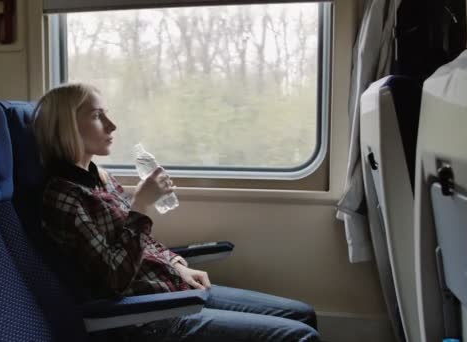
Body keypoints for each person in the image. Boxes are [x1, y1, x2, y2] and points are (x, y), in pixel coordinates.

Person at [31, 83, 321, 342]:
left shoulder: (100, 177)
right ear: (67, 126)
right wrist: (141, 205)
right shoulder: (63, 197)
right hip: (146, 316)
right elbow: (114, 278)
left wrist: (178, 264)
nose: (112, 125)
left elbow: (140, 243)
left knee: (302, 314)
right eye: (97, 116)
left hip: (171, 287)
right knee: (299, 336)